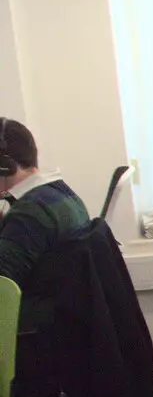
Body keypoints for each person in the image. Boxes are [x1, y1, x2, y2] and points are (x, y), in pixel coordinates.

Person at [0, 117, 91, 331]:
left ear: (4, 166)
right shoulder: (59, 193)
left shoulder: (29, 214)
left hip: (35, 325)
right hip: (63, 317)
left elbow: (4, 285)